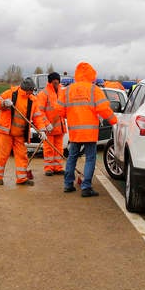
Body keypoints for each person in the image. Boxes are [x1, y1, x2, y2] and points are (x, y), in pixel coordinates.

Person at [59, 62, 118, 197]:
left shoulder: (67, 90)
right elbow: (103, 108)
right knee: (90, 158)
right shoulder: (94, 90)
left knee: (72, 157)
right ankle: (86, 187)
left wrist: (72, 115)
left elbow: (59, 110)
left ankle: (68, 184)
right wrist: (114, 121)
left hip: (74, 131)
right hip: (90, 132)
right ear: (91, 74)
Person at [0, 77, 51, 186]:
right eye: (31, 90)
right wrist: (4, 103)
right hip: (6, 132)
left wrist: (42, 130)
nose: (32, 92)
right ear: (27, 89)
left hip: (19, 134)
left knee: (22, 156)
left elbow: (37, 117)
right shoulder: (10, 93)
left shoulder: (32, 100)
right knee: (3, 155)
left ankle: (22, 179)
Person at [36, 72, 67, 176]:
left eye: (58, 82)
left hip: (60, 126)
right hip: (49, 127)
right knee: (49, 149)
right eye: (55, 82)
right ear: (50, 82)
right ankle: (48, 168)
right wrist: (46, 123)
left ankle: (58, 167)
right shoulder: (43, 94)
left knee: (59, 149)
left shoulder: (62, 91)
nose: (57, 84)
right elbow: (40, 111)